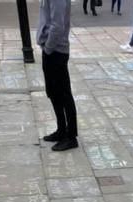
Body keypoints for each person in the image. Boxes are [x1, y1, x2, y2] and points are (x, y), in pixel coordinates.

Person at [37, 0, 79, 151]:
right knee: (53, 93)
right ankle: (62, 130)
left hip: (56, 51)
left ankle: (71, 137)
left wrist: (48, 48)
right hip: (50, 49)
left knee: (64, 94)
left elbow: (58, 25)